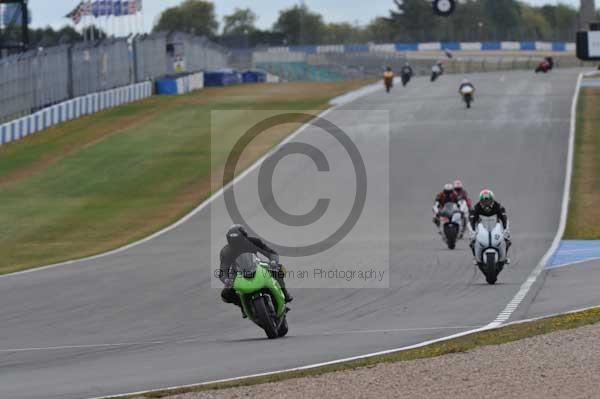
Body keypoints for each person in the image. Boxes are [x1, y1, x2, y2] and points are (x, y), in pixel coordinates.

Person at [219, 225, 293, 316]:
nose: (236, 243)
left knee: (279, 269)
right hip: (237, 272)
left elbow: (270, 252)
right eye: (233, 241)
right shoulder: (226, 251)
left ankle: (284, 292)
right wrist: (226, 280)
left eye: (238, 240)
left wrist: (273, 261)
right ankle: (242, 305)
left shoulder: (254, 241)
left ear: (244, 237)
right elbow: (223, 270)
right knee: (226, 293)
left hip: (256, 264)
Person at [469, 189, 511, 260]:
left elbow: (504, 219)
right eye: (484, 201)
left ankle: (505, 256)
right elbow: (471, 220)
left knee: (507, 239)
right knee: (472, 241)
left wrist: (506, 229)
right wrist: (472, 231)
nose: (486, 203)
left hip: (495, 227)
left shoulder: (498, 206)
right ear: (480, 201)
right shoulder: (475, 208)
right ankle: (475, 257)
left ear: (492, 200)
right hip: (482, 228)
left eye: (488, 201)